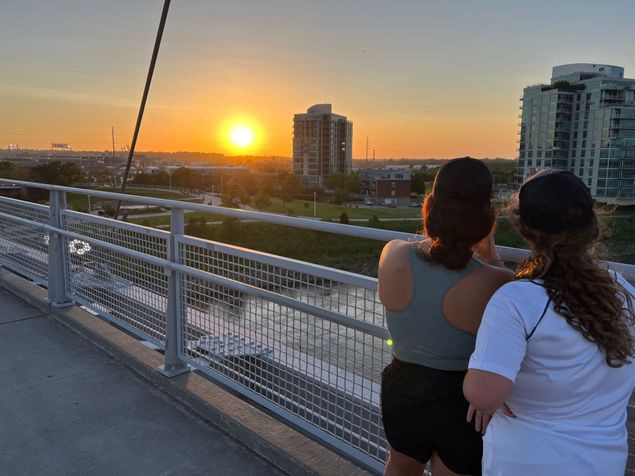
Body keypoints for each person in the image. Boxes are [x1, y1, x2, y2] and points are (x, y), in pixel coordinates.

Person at [464, 169, 635, 476]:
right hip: (603, 462)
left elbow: (483, 395)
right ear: (592, 226)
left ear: (524, 229)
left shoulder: (516, 300)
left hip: (528, 461)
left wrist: (495, 387)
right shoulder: (624, 294)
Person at [378, 157, 513, 476]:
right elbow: (489, 273)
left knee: (399, 465)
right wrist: (489, 253)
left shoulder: (393, 253)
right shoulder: (498, 282)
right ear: (486, 219)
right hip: (460, 399)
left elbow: (430, 259)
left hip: (402, 385)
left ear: (429, 206)